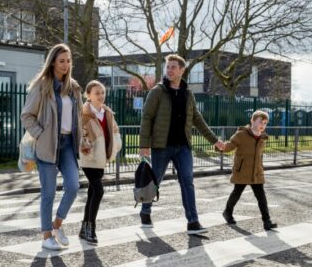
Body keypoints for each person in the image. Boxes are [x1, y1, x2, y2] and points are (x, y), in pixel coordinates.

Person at [139, 54, 225, 234]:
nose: (169, 70)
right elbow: (146, 117)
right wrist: (144, 144)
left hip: (183, 147)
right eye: (167, 67)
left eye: (173, 67)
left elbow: (197, 120)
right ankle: (145, 210)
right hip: (161, 146)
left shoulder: (188, 94)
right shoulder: (158, 91)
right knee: (156, 181)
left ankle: (193, 221)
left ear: (181, 70)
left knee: (187, 182)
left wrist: (215, 141)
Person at [20, 43, 83, 251]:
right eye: (61, 61)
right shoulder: (42, 86)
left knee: (73, 186)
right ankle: (46, 236)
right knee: (48, 193)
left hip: (67, 145)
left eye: (68, 61)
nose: (66, 65)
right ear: (53, 62)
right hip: (47, 145)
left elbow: (78, 118)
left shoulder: (73, 88)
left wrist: (83, 140)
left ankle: (57, 225)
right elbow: (26, 116)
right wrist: (41, 133)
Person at [78, 80, 122, 244]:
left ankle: (84, 228)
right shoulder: (83, 113)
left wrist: (116, 144)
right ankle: (91, 229)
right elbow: (79, 133)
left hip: (102, 158)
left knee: (92, 193)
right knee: (99, 190)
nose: (101, 95)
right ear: (88, 95)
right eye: (97, 93)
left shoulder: (107, 112)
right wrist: (84, 143)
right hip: (89, 158)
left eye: (102, 92)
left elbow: (115, 130)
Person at [220, 110, 278, 231]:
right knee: (236, 193)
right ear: (252, 121)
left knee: (261, 197)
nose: (263, 124)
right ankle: (227, 212)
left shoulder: (262, 137)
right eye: (260, 121)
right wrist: (221, 146)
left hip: (256, 172)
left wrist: (261, 168)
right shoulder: (241, 134)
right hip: (242, 171)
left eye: (265, 123)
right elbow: (229, 146)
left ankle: (267, 221)